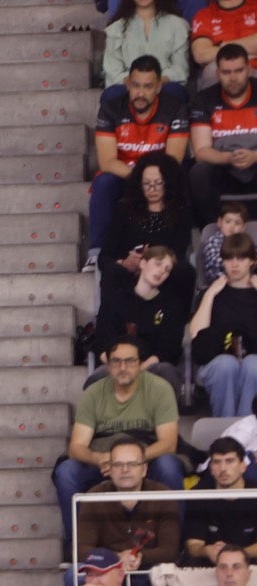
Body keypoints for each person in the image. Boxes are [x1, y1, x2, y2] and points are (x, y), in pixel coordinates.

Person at [90, 57, 190, 258]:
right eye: (136, 86)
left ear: (159, 87)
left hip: (161, 178)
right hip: (125, 175)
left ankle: (179, 251)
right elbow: (107, 161)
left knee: (183, 176)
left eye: (148, 86)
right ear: (128, 83)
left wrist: (150, 180)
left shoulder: (175, 108)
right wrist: (140, 178)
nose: (141, 93)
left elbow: (172, 162)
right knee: (103, 183)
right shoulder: (110, 108)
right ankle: (96, 252)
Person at [99, 154, 195, 316]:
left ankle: (175, 321)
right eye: (146, 184)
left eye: (158, 184)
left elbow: (178, 253)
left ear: (168, 184)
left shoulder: (180, 211)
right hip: (129, 275)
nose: (152, 189)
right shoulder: (124, 209)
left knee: (185, 271)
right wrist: (124, 263)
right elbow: (104, 258)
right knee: (112, 272)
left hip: (163, 275)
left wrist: (153, 264)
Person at [73, 438, 182, 577]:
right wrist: (116, 557)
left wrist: (138, 556)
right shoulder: (93, 497)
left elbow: (170, 551)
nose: (125, 470)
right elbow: (80, 550)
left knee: (167, 572)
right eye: (118, 464)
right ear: (110, 469)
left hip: (149, 570)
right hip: (107, 571)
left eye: (132, 464)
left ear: (144, 469)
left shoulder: (164, 495)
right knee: (73, 575)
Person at [92, 246, 188, 387]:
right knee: (100, 377)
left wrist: (139, 369)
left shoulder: (171, 306)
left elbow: (169, 349)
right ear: (143, 263)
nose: (161, 271)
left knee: (167, 372)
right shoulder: (116, 298)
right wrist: (122, 367)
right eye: (158, 264)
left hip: (151, 367)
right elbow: (101, 341)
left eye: (167, 270)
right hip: (116, 366)